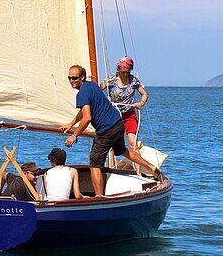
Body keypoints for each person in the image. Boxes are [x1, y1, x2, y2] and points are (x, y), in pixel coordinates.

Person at [63, 65, 155, 197]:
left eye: (74, 78)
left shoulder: (81, 93)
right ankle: (152, 168)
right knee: (123, 151)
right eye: (69, 78)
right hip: (118, 124)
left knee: (94, 163)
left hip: (106, 130)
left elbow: (87, 117)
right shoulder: (91, 85)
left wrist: (74, 135)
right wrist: (71, 124)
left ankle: (99, 197)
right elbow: (83, 112)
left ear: (82, 77)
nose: (72, 81)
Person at [101, 57, 149, 163]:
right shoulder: (111, 80)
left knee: (133, 144)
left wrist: (141, 103)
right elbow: (98, 90)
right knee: (112, 144)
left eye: (128, 72)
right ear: (119, 69)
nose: (125, 74)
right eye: (123, 72)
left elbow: (144, 94)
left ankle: (138, 173)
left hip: (129, 115)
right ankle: (111, 169)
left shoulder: (133, 80)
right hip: (114, 115)